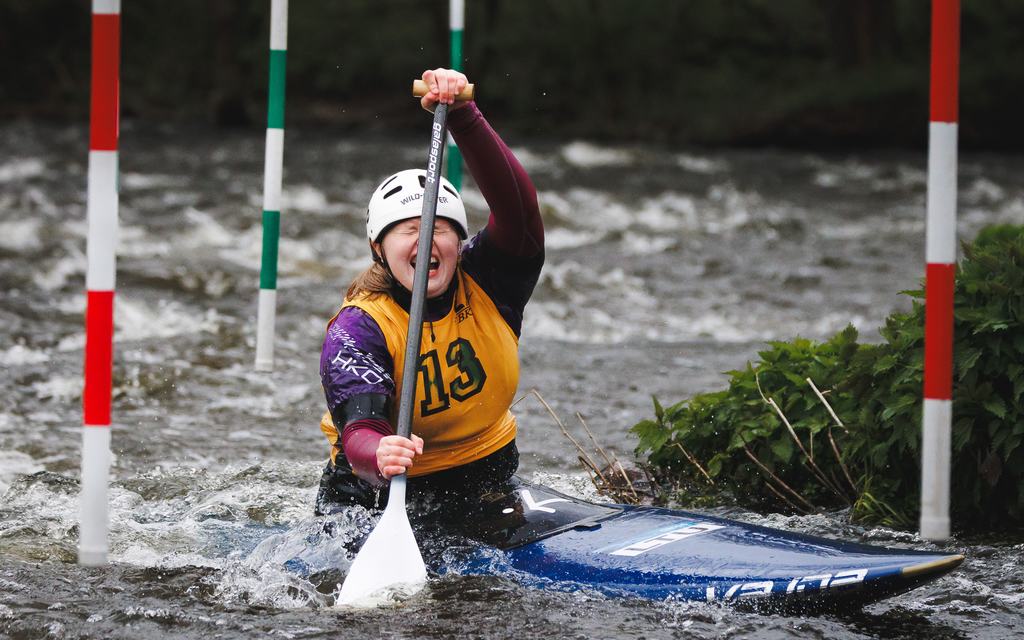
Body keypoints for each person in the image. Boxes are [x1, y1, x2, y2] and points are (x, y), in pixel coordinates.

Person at [315, 68, 544, 516]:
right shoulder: (359, 328)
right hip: (381, 493)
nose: (426, 242)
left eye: (439, 229)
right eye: (407, 232)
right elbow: (360, 426)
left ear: (458, 243)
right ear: (378, 250)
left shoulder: (489, 282)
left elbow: (519, 212)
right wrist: (378, 453)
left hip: (485, 476)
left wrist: (464, 116)